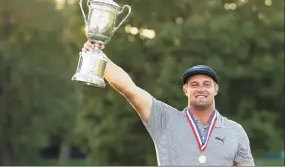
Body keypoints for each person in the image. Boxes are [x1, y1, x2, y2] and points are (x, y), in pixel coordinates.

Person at [82, 40, 255, 166]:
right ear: (185, 90)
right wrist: (99, 58)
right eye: (194, 85)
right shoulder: (164, 119)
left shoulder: (235, 131)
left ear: (216, 89)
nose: (200, 89)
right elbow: (129, 89)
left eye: (206, 84)